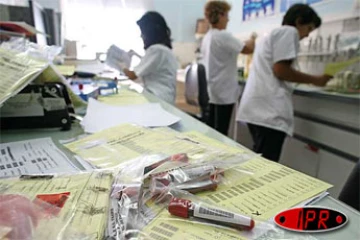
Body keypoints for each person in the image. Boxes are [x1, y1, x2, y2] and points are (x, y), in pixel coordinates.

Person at [237, 4, 331, 162]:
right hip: (267, 112)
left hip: (257, 109)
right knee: (266, 168)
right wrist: (316, 80)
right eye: (309, 28)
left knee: (261, 163)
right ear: (299, 21)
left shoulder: (271, 34)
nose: (307, 35)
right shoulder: (289, 31)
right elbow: (281, 70)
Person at [201, 1, 255, 136]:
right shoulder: (222, 35)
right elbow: (248, 49)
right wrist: (253, 38)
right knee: (221, 132)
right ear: (219, 15)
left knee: (212, 130)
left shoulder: (208, 37)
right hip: (223, 92)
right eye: (226, 15)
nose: (228, 19)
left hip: (213, 90)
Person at [122, 11, 178, 105]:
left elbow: (132, 75)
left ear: (150, 32)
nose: (141, 36)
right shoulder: (164, 50)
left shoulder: (156, 50)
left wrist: (120, 65)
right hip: (164, 98)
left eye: (143, 32)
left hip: (158, 98)